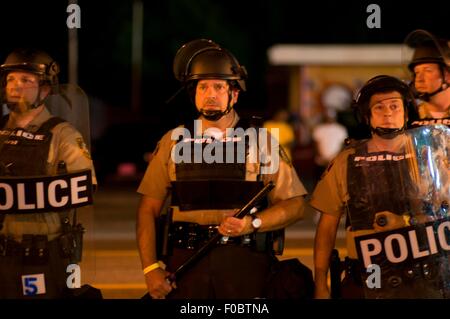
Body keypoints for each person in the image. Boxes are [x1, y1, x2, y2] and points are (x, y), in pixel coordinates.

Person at [136, 39, 308, 299]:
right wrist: (150, 269)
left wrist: (253, 223)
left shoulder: (261, 142)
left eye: (219, 86)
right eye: (203, 87)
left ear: (234, 94)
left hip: (244, 263)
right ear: (194, 94)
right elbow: (148, 210)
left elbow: (295, 205)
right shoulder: (173, 141)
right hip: (185, 264)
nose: (211, 94)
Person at [310, 75, 449, 299]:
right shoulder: (347, 161)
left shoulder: (430, 157)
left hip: (424, 277)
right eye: (379, 107)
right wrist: (320, 282)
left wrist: (405, 222)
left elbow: (445, 215)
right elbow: (326, 228)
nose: (387, 113)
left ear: (406, 112)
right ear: (367, 116)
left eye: (394, 106)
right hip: (365, 279)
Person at [0, 48, 97, 298]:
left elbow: (85, 187)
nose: (15, 86)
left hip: (40, 255)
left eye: (26, 80)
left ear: (45, 90)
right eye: (11, 79)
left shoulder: (62, 135)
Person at [404, 29, 450, 125]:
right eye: (416, 72)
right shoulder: (406, 116)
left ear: (447, 75)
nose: (419, 79)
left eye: (427, 70)